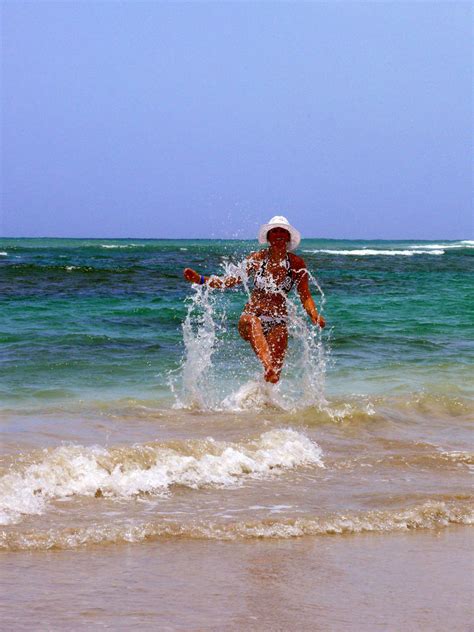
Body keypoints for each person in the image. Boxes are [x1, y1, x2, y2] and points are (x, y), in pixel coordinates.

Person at [183, 216, 325, 384]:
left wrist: (314, 315)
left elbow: (305, 295)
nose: (278, 234)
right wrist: (200, 279)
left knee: (275, 377)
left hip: (278, 320)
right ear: (268, 237)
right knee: (253, 323)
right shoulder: (256, 259)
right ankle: (267, 366)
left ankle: (262, 402)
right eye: (274, 231)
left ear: (288, 237)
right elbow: (228, 281)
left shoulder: (296, 263)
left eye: (282, 231)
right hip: (250, 316)